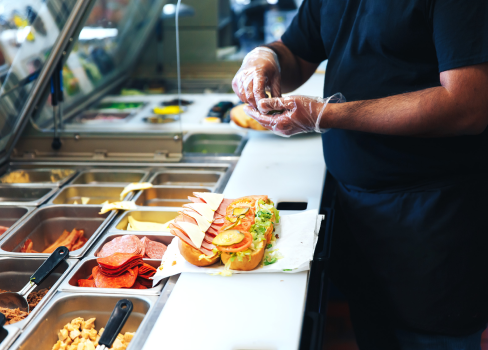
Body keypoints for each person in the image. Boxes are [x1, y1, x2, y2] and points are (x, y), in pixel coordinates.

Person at [231, 1, 488, 349]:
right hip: (359, 208)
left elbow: (468, 106)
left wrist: (329, 115)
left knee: (430, 337)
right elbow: (296, 52)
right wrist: (265, 59)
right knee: (373, 329)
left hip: (431, 216)